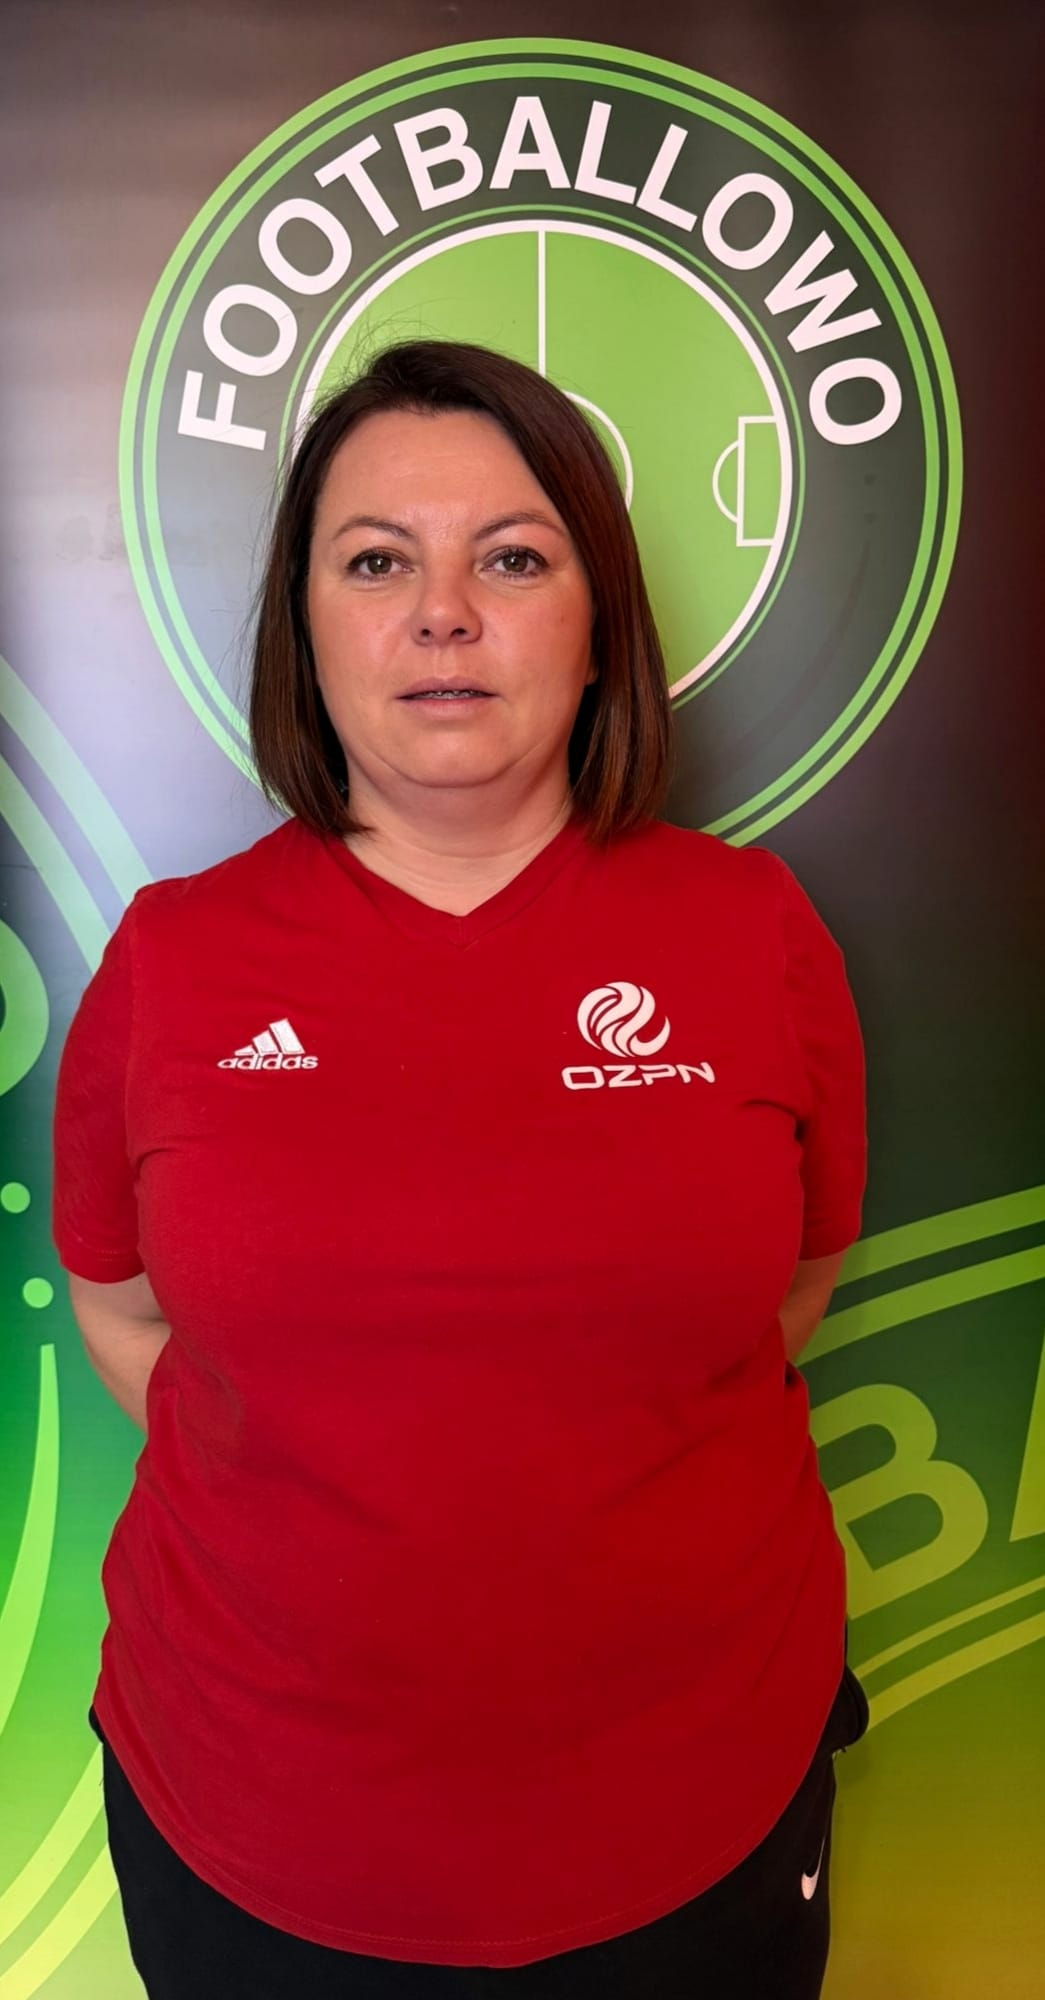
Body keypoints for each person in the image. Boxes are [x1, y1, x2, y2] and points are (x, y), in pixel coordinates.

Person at [52, 338, 869, 1999]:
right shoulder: (174, 958)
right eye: (376, 563)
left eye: (511, 558)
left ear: (597, 624)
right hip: (252, 1821)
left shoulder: (752, 931)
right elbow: (120, 1309)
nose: (441, 614)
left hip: (698, 1808)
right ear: (305, 631)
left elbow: (793, 1284)